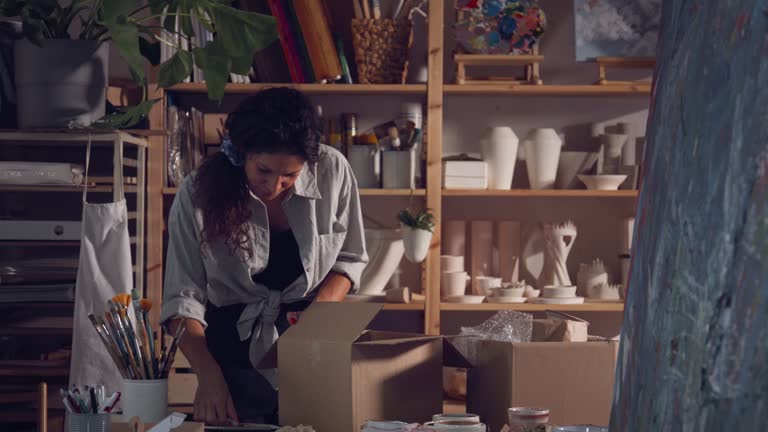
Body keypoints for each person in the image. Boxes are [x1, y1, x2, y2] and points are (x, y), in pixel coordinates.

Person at [160, 87, 368, 426]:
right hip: (230, 360)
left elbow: (350, 258)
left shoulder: (333, 171)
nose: (274, 186)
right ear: (241, 154)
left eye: (290, 176)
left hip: (312, 347)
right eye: (264, 171)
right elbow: (182, 300)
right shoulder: (198, 193)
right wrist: (209, 376)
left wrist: (317, 320)